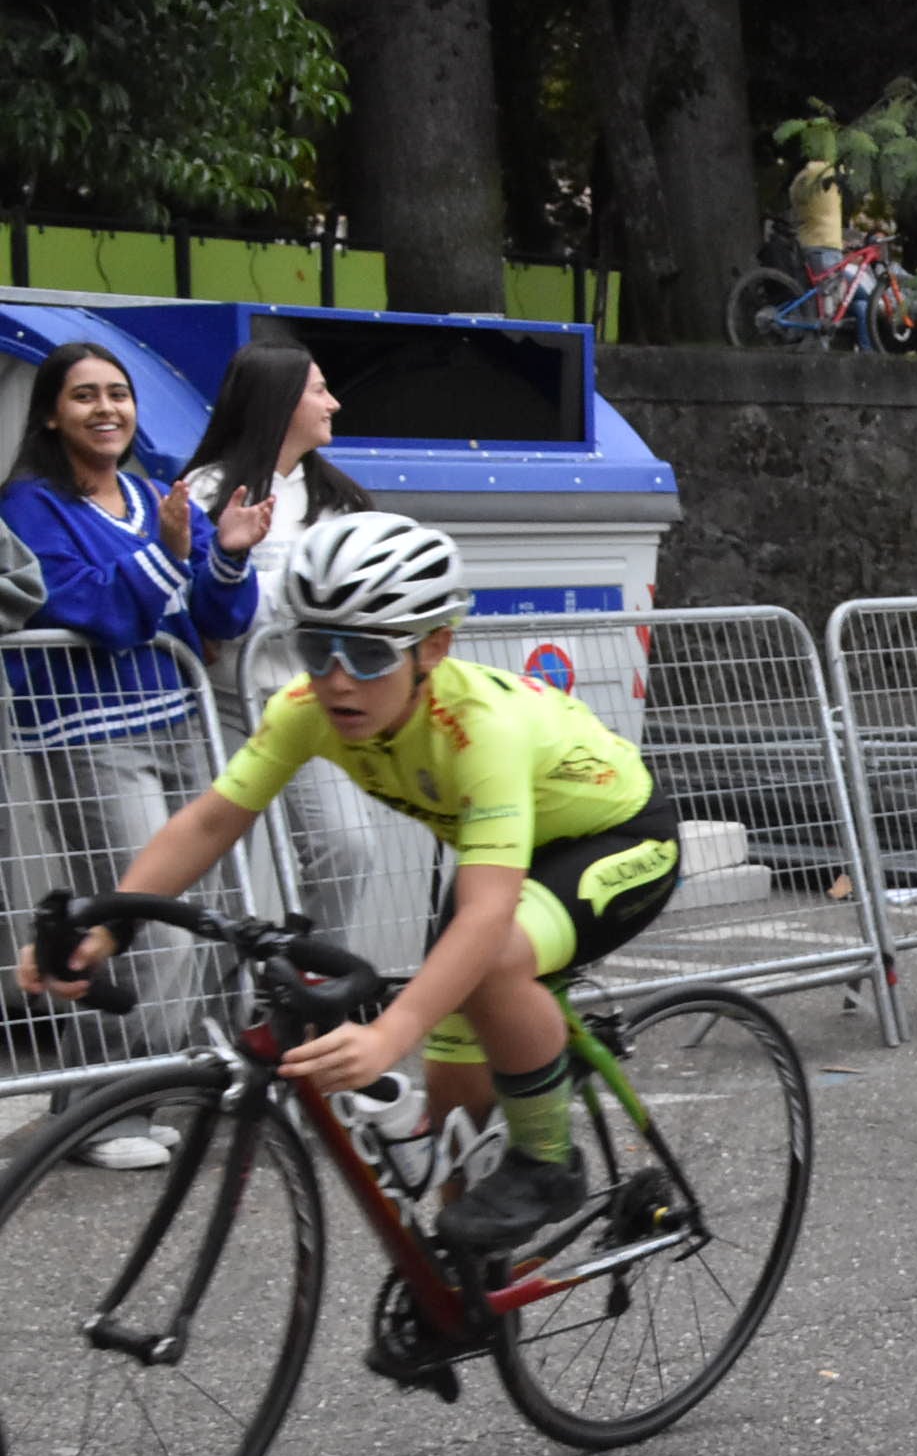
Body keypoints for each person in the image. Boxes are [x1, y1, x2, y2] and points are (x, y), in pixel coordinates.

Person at [19, 511, 684, 1256]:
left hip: (616, 838)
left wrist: (389, 1033)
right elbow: (209, 823)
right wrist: (110, 924)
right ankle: (468, 1288)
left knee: (493, 961)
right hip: (505, 855)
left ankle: (548, 1160)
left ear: (433, 647)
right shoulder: (306, 709)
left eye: (368, 654)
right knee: (454, 1106)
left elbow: (487, 915)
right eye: (317, 648)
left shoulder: (480, 728)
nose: (338, 679)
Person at [3, 341, 267, 1168]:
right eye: (84, 395)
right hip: (91, 736)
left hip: (179, 721)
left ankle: (143, 1090)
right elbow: (91, 609)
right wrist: (167, 554)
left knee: (200, 914)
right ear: (52, 415)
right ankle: (95, 1113)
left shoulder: (157, 495)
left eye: (118, 393)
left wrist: (227, 552)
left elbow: (214, 619)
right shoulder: (28, 505)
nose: (107, 408)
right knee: (144, 924)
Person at [177, 342, 379, 935]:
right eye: (319, 390)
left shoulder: (339, 500)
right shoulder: (206, 490)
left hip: (309, 702)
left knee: (348, 846)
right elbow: (212, 607)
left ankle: (308, 977)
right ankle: (222, 992)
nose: (333, 404)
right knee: (217, 870)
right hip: (221, 705)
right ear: (279, 401)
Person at [788, 157, 848, 282]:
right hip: (826, 246)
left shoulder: (798, 181)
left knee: (809, 292)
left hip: (805, 244)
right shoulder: (826, 171)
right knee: (830, 292)